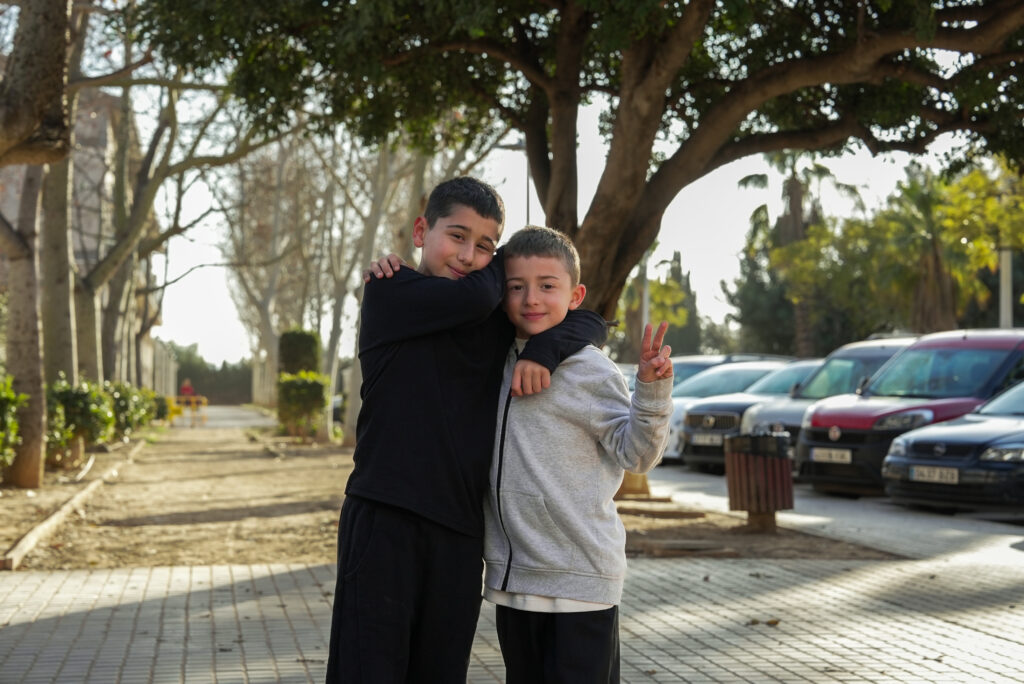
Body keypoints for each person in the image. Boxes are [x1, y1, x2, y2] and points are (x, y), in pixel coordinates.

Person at [326, 178, 606, 682]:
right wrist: (499, 261)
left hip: (459, 533)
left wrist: (543, 351)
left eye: (484, 246)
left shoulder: (490, 314)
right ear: (421, 231)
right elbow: (479, 294)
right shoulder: (391, 291)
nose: (467, 255)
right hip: (385, 520)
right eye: (457, 236)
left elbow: (587, 322)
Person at [483, 226, 674, 683]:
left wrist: (651, 392)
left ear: (576, 295)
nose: (531, 298)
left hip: (581, 583)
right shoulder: (492, 359)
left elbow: (637, 455)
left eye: (547, 286)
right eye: (516, 287)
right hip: (514, 582)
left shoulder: (592, 370)